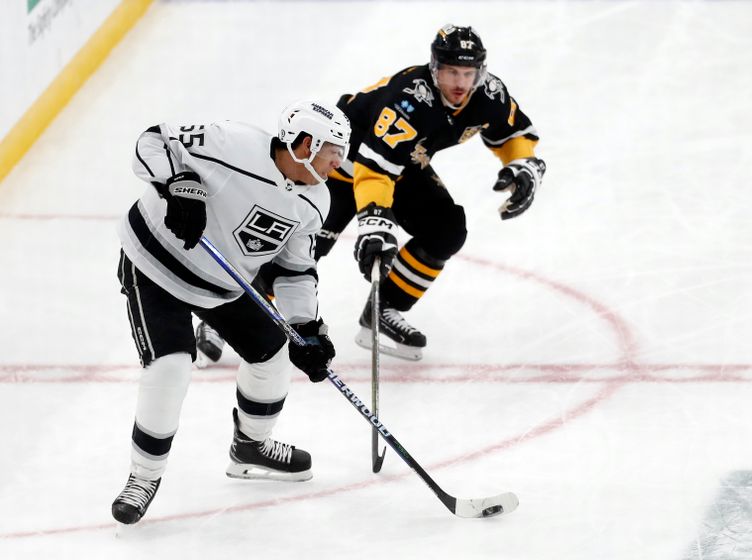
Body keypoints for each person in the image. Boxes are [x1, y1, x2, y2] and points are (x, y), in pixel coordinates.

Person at [195, 23, 545, 363]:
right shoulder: (409, 101)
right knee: (299, 253)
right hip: (336, 166)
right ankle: (225, 318)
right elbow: (373, 170)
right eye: (452, 72)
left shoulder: (490, 95)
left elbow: (514, 132)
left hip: (401, 166)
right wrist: (376, 219)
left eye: (468, 74)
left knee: (446, 229)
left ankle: (384, 309)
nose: (460, 83)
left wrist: (524, 163)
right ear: (435, 67)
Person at [111, 100, 351, 525]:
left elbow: (296, 270)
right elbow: (152, 140)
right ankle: (143, 477)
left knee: (273, 353)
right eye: (334, 150)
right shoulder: (231, 143)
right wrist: (179, 182)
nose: (339, 161)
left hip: (222, 283)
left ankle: (250, 446)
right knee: (170, 366)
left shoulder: (315, 202)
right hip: (156, 264)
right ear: (307, 144)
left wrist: (307, 328)